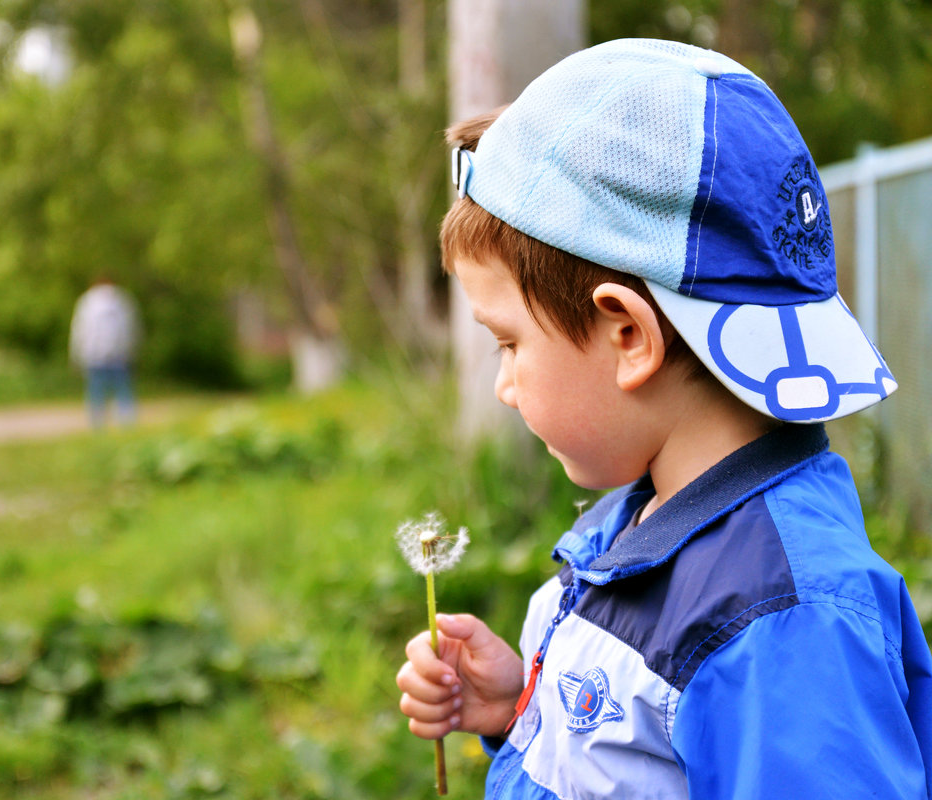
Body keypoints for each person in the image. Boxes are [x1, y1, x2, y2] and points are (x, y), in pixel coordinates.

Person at [396, 38, 932, 799]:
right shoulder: (657, 511)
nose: (504, 387)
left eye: (508, 344)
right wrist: (522, 709)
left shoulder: (781, 625)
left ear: (628, 336)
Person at [69, 276, 141, 428]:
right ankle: (127, 424)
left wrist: (76, 354)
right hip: (119, 354)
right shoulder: (123, 300)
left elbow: (79, 330)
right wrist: (132, 351)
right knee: (123, 391)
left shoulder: (87, 301)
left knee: (96, 392)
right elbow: (132, 329)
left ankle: (97, 424)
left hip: (94, 354)